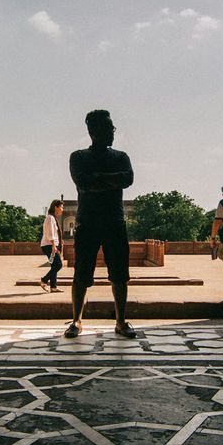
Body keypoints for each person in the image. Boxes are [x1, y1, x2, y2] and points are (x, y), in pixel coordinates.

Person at [66, 109, 136, 338]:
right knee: (81, 274)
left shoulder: (120, 156)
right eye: (108, 128)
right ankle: (76, 320)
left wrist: (97, 177)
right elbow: (84, 184)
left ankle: (121, 321)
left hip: (114, 222)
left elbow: (128, 179)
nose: (112, 133)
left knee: (119, 275)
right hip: (88, 222)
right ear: (93, 131)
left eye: (112, 128)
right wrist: (111, 179)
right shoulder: (78, 157)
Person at [39, 199, 64, 292]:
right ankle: (44, 280)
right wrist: (54, 245)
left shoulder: (53, 218)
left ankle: (53, 287)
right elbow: (50, 232)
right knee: (58, 265)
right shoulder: (50, 218)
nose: (62, 209)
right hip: (49, 245)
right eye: (61, 207)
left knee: (54, 266)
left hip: (51, 244)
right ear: (55, 207)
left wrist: (58, 243)